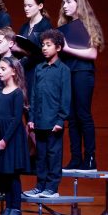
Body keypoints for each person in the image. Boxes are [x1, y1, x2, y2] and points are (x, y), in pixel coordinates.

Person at [59, 0, 104, 171]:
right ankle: (76, 158)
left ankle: (90, 158)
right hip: (69, 73)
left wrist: (68, 49)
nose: (65, 6)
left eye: (69, 2)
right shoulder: (67, 26)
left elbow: (93, 53)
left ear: (79, 3)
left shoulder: (87, 24)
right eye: (63, 2)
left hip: (83, 73)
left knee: (83, 115)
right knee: (72, 117)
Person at [24, 30, 71, 198]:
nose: (44, 48)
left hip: (54, 122)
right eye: (43, 45)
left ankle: (52, 188)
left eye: (48, 45)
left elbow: (65, 97)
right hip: (39, 121)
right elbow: (34, 95)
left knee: (53, 154)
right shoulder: (39, 68)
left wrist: (60, 120)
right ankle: (40, 186)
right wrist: (31, 119)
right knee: (41, 155)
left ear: (58, 47)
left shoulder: (63, 70)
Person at [0, 57, 30, 215]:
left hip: (12, 138)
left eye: (3, 69)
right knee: (5, 175)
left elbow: (16, 119)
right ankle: (8, 208)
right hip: (0, 136)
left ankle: (16, 210)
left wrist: (4, 140)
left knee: (13, 175)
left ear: (13, 71)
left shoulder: (17, 93)